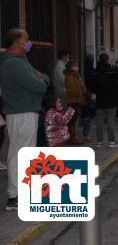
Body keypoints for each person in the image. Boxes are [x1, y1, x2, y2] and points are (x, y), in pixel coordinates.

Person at [0, 28, 50, 211]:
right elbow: (40, 85)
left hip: (24, 111)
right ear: (17, 42)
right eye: (26, 40)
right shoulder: (14, 64)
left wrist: (40, 78)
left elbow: (45, 78)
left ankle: (21, 191)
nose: (29, 43)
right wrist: (40, 78)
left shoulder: (20, 61)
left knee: (23, 152)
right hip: (22, 112)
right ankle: (15, 195)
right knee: (21, 153)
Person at [89, 53, 118, 148]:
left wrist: (97, 92)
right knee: (110, 121)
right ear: (107, 60)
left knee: (99, 121)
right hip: (112, 98)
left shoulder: (95, 72)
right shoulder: (112, 70)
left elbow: (91, 85)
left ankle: (99, 141)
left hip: (100, 99)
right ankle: (111, 141)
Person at [64, 60, 87, 143]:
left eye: (77, 65)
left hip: (77, 100)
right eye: (75, 65)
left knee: (74, 118)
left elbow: (81, 86)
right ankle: (72, 138)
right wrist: (79, 94)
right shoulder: (70, 76)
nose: (77, 67)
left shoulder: (75, 76)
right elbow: (71, 89)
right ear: (71, 67)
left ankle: (72, 137)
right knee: (72, 119)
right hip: (73, 100)